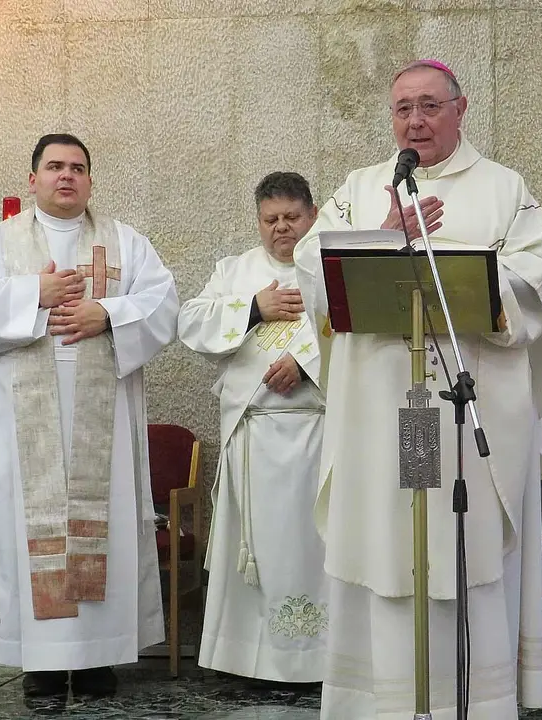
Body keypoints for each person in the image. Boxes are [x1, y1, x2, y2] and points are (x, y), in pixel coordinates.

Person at [292, 59, 542, 719]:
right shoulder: (362, 187)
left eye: (430, 105)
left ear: (460, 110)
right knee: (387, 544)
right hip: (386, 413)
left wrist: (482, 285)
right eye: (403, 107)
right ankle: (379, 704)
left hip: (466, 409)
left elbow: (539, 275)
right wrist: (385, 238)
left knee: (459, 545)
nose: (415, 120)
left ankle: (473, 704)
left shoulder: (503, 188)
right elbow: (313, 268)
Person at [0, 133, 179, 698]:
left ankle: (98, 658)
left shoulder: (126, 241)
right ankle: (40, 664)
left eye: (77, 168)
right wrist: (35, 293)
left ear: (90, 181)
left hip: (105, 421)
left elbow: (164, 303)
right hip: (25, 422)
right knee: (26, 526)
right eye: (54, 167)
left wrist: (108, 312)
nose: (66, 176)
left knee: (108, 525)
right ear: (33, 179)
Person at [177, 171, 328, 682]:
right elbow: (192, 323)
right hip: (253, 435)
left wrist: (305, 362)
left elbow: (362, 332)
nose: (281, 228)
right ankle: (246, 660)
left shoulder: (333, 268)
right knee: (255, 552)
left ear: (312, 214)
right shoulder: (235, 270)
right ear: (258, 222)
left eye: (291, 217)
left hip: (317, 434)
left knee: (310, 547)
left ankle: (314, 661)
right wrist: (252, 310)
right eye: (270, 219)